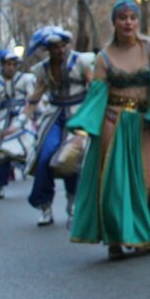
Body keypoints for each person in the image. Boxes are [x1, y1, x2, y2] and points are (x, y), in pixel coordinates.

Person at [65, 0, 150, 258]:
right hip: (113, 122)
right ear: (114, 22)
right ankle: (116, 239)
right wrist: (79, 136)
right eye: (122, 17)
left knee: (149, 183)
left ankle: (141, 231)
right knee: (115, 184)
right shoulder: (103, 57)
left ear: (138, 21)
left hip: (145, 121)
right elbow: (96, 98)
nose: (128, 22)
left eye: (133, 17)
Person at [22, 26, 92, 227]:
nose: (60, 51)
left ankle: (73, 201)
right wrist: (22, 119)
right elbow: (35, 96)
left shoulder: (81, 61)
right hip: (55, 114)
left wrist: (93, 115)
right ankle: (44, 205)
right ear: (48, 49)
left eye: (62, 46)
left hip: (78, 113)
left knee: (71, 157)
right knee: (45, 155)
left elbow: (94, 88)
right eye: (54, 47)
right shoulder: (43, 69)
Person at [0, 51, 36, 199]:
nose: (11, 68)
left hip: (22, 118)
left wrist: (26, 117)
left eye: (14, 65)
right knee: (1, 151)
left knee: (31, 146)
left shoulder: (26, 79)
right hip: (3, 119)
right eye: (8, 64)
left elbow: (33, 98)